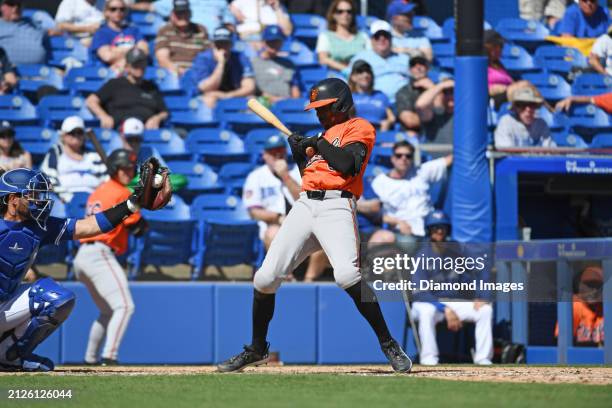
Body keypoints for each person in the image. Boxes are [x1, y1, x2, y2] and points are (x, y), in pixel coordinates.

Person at [217, 78, 412, 374]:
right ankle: (257, 348)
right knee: (265, 278)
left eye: (325, 108)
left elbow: (348, 166)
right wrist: (300, 154)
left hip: (337, 205)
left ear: (342, 105)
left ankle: (388, 343)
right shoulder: (324, 135)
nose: (319, 113)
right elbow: (310, 175)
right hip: (306, 203)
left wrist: (317, 143)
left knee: (347, 275)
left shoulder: (359, 127)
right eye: (317, 108)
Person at [0, 162, 171, 371]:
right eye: (32, 195)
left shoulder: (39, 226)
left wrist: (132, 204)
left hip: (5, 304)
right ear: (12, 199)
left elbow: (89, 226)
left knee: (55, 297)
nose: (40, 201)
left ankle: (9, 355)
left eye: (40, 195)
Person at [73, 149, 148, 365]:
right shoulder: (121, 192)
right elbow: (139, 229)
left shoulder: (99, 190)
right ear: (114, 168)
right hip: (99, 253)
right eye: (123, 167)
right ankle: (109, 357)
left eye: (129, 168)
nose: (127, 171)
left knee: (107, 311)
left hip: (83, 257)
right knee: (124, 307)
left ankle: (89, 359)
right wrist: (144, 203)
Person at [410, 210, 494, 365]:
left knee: (485, 310)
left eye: (443, 227)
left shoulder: (457, 251)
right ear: (429, 231)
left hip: (454, 302)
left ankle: (483, 359)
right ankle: (429, 359)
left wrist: (482, 296)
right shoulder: (421, 255)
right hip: (430, 303)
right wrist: (444, 308)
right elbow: (420, 293)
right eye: (435, 228)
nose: (440, 231)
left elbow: (481, 268)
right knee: (426, 312)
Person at [369, 141, 452, 245]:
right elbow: (373, 214)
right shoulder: (380, 182)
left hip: (429, 230)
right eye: (399, 155)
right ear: (392, 158)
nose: (403, 158)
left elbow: (451, 159)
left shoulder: (421, 171)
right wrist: (398, 222)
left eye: (408, 156)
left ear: (412, 159)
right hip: (401, 232)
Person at [87, 47, 169, 129]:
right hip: (120, 130)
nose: (140, 67)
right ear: (127, 67)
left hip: (145, 131)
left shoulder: (151, 87)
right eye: (135, 65)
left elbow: (164, 112)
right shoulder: (115, 84)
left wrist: (156, 119)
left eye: (142, 63)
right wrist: (103, 116)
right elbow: (91, 101)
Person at [242, 134, 301, 250]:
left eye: (280, 151)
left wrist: (285, 176)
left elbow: (305, 199)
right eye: (272, 152)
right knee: (274, 234)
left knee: (324, 235)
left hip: (301, 222)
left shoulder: (297, 172)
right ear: (264, 155)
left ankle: (311, 269)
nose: (277, 155)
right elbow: (253, 211)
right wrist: (278, 217)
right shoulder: (256, 177)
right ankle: (283, 269)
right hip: (273, 224)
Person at [40, 116, 107, 203]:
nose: (76, 136)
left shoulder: (93, 154)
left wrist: (98, 196)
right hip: (64, 201)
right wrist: (67, 197)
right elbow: (48, 178)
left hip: (94, 200)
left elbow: (105, 178)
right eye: (72, 132)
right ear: (63, 135)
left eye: (79, 132)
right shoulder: (56, 152)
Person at [191, 26, 255, 108]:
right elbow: (206, 89)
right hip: (208, 96)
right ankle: (213, 121)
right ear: (212, 45)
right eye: (219, 45)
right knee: (210, 99)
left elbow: (249, 87)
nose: (223, 48)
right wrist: (221, 63)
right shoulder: (203, 58)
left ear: (231, 44)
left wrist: (227, 95)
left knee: (253, 101)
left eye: (225, 44)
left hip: (232, 95)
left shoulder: (240, 57)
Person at [348, 20, 409, 104]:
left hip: (405, 102)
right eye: (377, 36)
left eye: (386, 36)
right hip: (374, 102)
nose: (382, 39)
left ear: (391, 38)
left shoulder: (404, 58)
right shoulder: (361, 58)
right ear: (371, 39)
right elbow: (350, 81)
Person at [90, 0, 148, 72]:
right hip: (110, 73)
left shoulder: (134, 30)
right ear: (106, 12)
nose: (118, 12)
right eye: (113, 9)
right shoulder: (101, 33)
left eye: (122, 9)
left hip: (129, 68)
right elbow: (108, 57)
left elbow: (144, 51)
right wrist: (133, 49)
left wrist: (122, 58)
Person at [154, 0, 209, 76]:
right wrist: (182, 72)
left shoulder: (201, 30)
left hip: (198, 75)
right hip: (174, 75)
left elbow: (208, 57)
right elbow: (162, 59)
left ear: (190, 13)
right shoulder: (164, 31)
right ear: (172, 15)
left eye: (185, 12)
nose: (182, 16)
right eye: (179, 13)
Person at [555, 266, 604, 346]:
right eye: (588, 285)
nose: (593, 290)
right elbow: (562, 341)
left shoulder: (607, 307)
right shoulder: (574, 306)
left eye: (597, 286)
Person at [316, 0, 369, 73]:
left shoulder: (363, 36)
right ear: (333, 15)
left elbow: (371, 57)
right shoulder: (325, 36)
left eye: (349, 11)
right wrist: (346, 70)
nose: (345, 14)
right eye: (340, 11)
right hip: (336, 77)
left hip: (361, 76)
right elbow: (323, 59)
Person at [251, 25, 300, 104]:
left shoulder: (289, 64)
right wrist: (269, 98)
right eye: (270, 41)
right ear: (263, 42)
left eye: (277, 41)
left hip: (285, 104)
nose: (274, 44)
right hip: (262, 103)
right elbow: (251, 89)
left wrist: (294, 105)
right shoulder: (253, 62)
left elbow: (295, 90)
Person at [348, 60, 395, 131]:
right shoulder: (349, 97)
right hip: (357, 133)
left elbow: (391, 117)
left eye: (368, 72)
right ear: (353, 77)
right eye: (360, 72)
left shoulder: (381, 95)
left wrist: (387, 123)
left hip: (380, 132)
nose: (365, 75)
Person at [395, 54, 435, 134]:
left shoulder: (438, 88)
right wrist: (436, 122)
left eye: (422, 64)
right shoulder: (404, 91)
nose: (418, 67)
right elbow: (410, 120)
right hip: (413, 136)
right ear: (410, 70)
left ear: (427, 68)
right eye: (414, 65)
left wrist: (433, 89)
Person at [0, 0, 48, 65]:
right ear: (1, 7)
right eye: (11, 4)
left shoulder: (32, 22)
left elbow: (55, 31)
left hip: (40, 71)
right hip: (7, 72)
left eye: (19, 5)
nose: (16, 8)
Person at [150, 0, 235, 36]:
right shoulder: (179, 1)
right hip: (188, 36)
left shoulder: (221, 2)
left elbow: (230, 25)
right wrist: (136, 5)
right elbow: (153, 7)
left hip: (214, 39)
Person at [415, 78, 454, 144]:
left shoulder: (467, 115)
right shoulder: (435, 113)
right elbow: (420, 105)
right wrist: (441, 86)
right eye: (445, 92)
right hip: (434, 154)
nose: (449, 96)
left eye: (453, 92)